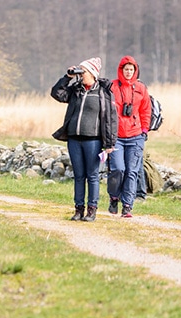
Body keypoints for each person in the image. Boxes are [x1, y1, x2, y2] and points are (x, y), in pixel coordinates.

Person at [51, 57, 118, 222]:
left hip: (93, 140)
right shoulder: (75, 90)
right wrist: (67, 77)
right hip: (74, 139)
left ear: (93, 73)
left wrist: (109, 143)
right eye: (80, 71)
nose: (81, 74)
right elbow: (56, 93)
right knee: (79, 176)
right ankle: (78, 209)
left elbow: (110, 119)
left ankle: (91, 210)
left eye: (84, 71)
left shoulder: (103, 93)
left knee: (92, 175)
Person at [108, 55, 152, 218]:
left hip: (135, 136)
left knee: (132, 171)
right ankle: (114, 197)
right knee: (118, 169)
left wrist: (145, 130)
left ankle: (127, 205)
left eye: (131, 70)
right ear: (121, 70)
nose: (128, 72)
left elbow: (146, 110)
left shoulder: (141, 88)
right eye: (125, 69)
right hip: (117, 136)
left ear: (135, 71)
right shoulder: (112, 87)